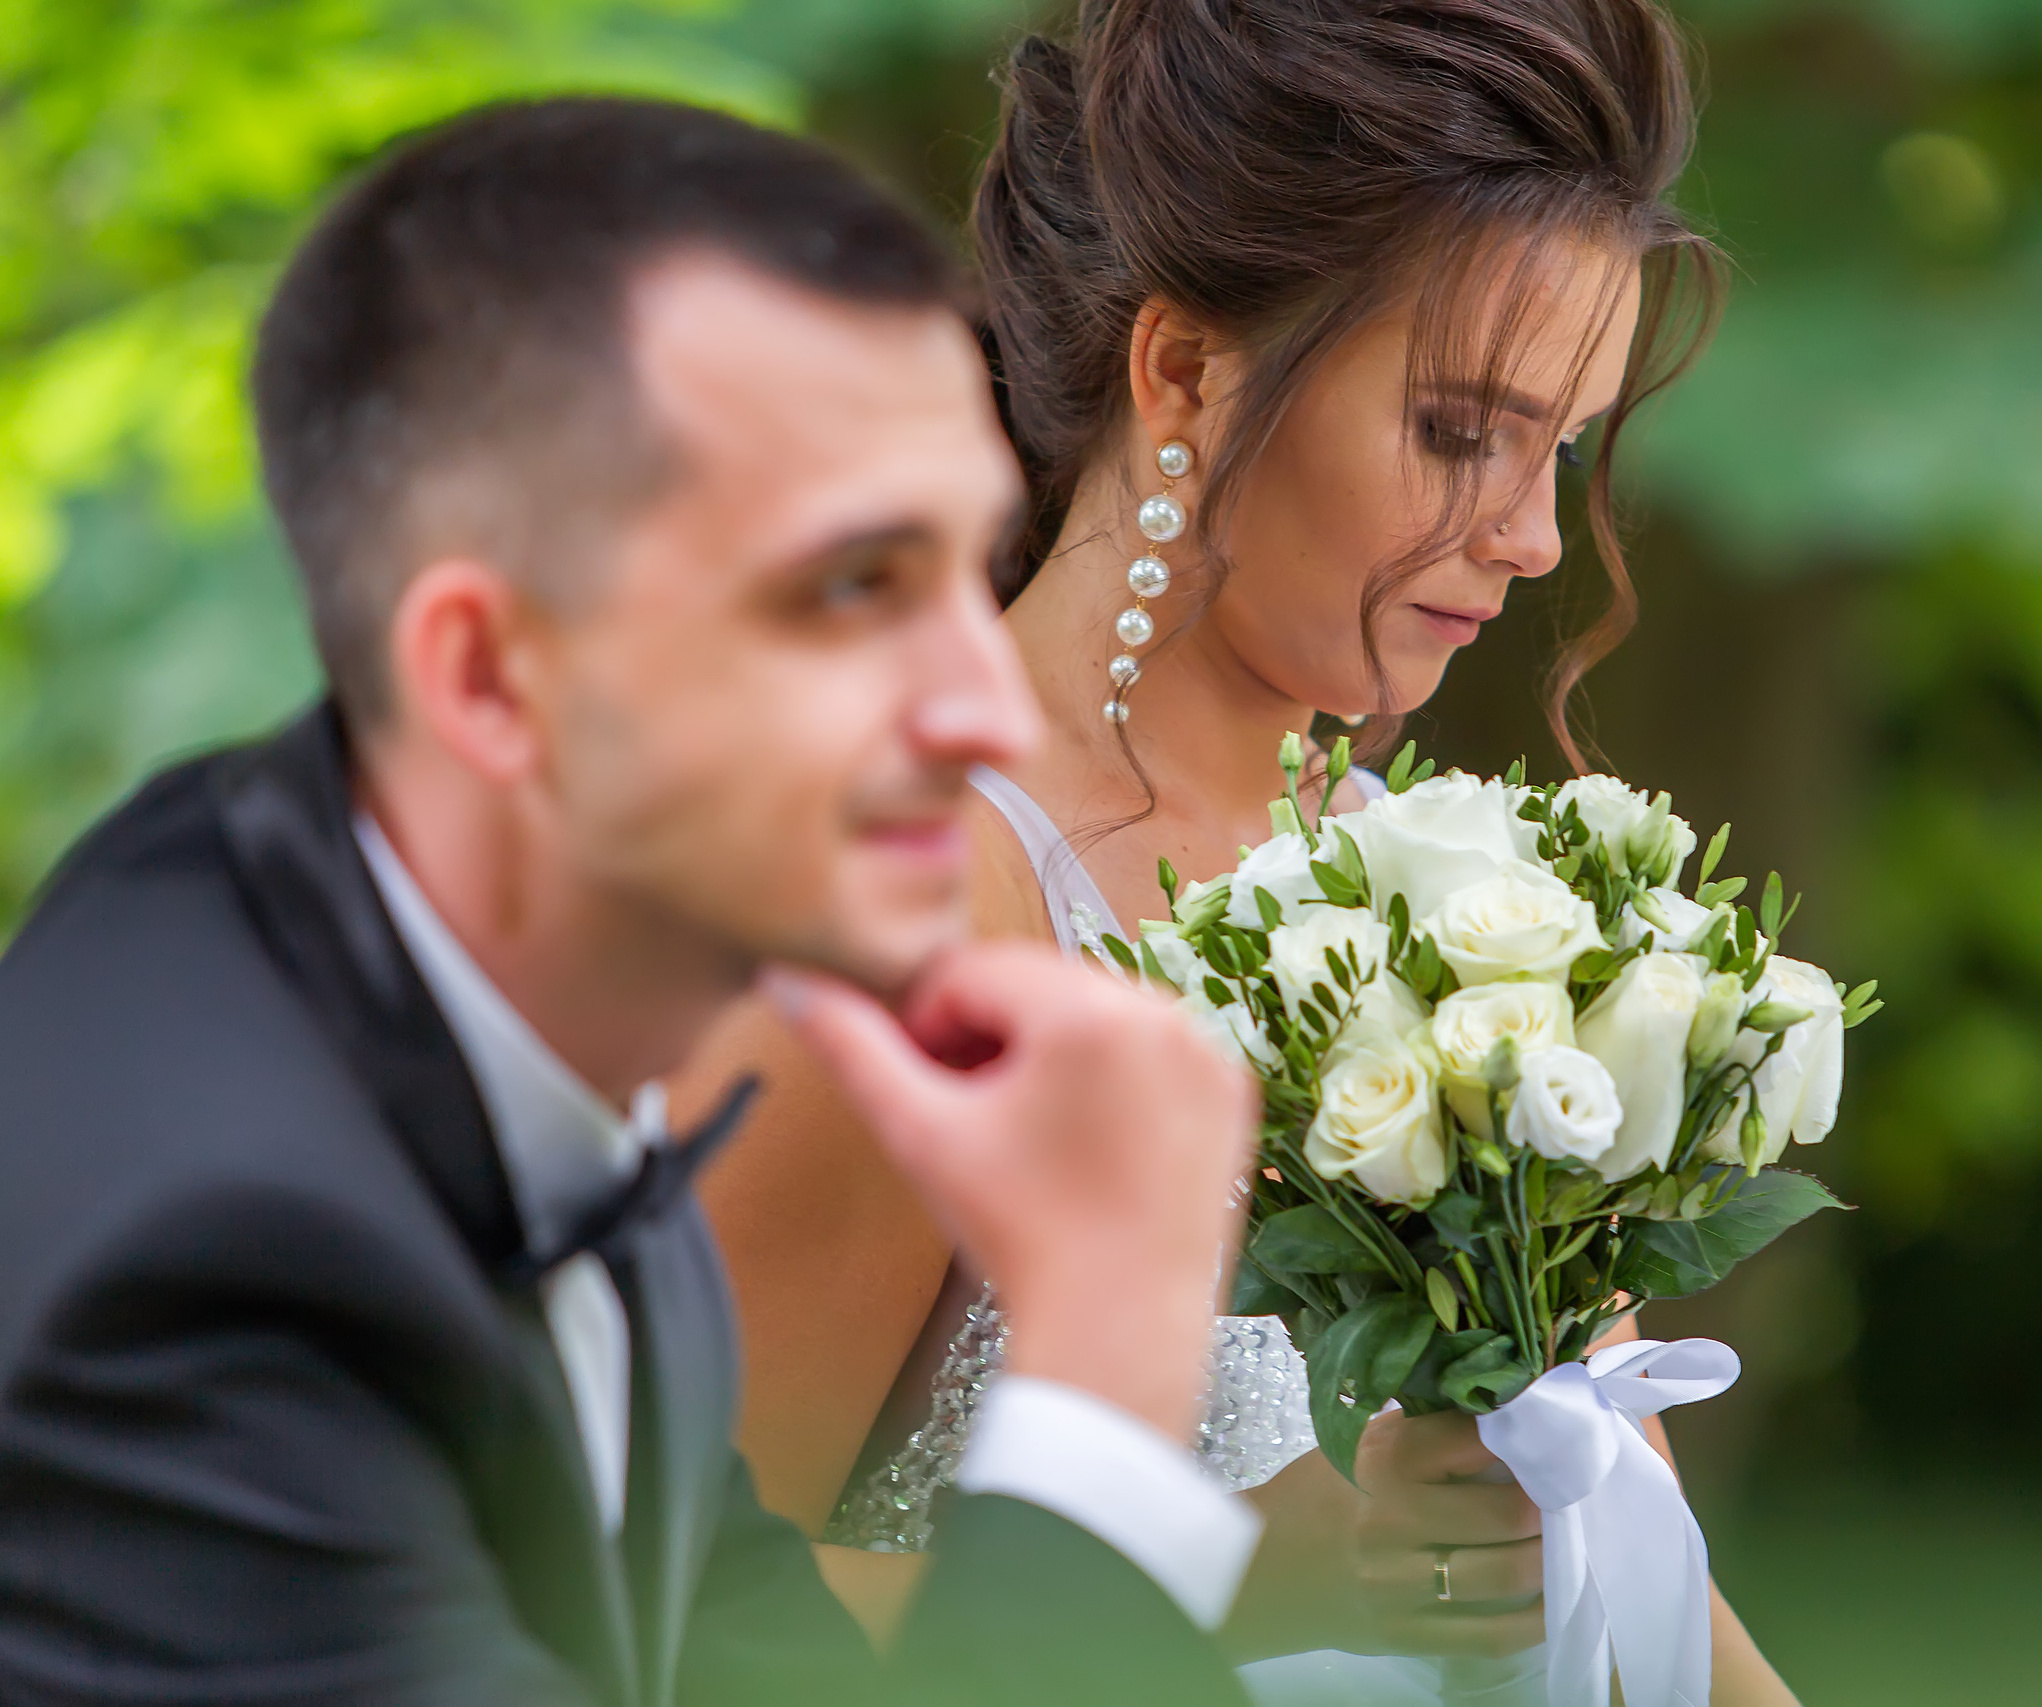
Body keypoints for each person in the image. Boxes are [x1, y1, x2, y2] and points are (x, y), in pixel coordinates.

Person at [0, 96, 1275, 1707]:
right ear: (489, 677)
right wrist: (1105, 1350)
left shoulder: (534, 1057)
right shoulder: (211, 1275)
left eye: (971, 567)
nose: (982, 706)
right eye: (853, 587)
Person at [683, 1, 1801, 1700]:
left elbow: (1646, 1565)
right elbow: (661, 1619)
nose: (1528, 537)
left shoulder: (1444, 909)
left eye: (1560, 448)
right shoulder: (896, 917)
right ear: (1188, 374)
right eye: (1459, 432)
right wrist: (1264, 1570)